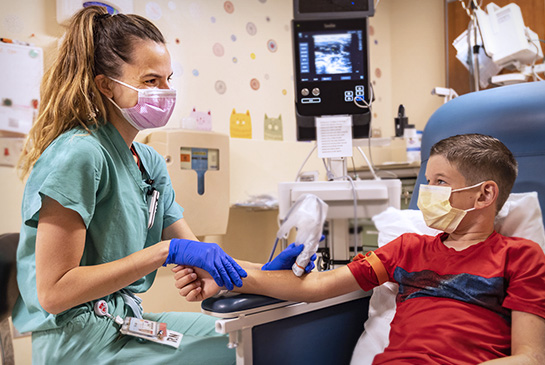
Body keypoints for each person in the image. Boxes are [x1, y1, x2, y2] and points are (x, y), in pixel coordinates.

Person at [12, 6, 312, 364]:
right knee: (238, 355)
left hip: (124, 323)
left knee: (252, 337)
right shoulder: (79, 155)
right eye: (151, 81)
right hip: (78, 343)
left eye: (168, 79)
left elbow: (201, 259)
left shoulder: (149, 162)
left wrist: (266, 271)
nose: (166, 92)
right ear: (106, 85)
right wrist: (162, 253)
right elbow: (53, 292)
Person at [176, 134, 545, 365]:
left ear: (485, 193)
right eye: (426, 182)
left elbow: (530, 356)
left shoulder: (521, 256)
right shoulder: (408, 248)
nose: (425, 194)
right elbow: (316, 286)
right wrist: (223, 272)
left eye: (440, 182)